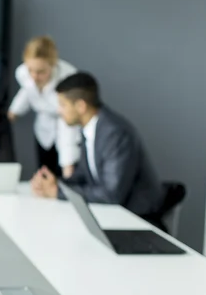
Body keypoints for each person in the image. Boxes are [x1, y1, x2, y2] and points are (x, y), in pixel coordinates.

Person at [31, 72, 165, 228]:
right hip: (111, 216)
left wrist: (58, 193)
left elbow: (111, 195)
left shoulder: (115, 134)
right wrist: (56, 184)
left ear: (80, 106)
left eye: (63, 104)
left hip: (137, 222)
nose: (59, 111)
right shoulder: (91, 129)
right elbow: (84, 176)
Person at [7, 36, 81, 178]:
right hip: (42, 131)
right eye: (31, 70)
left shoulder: (68, 78)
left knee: (65, 177)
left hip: (66, 129)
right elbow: (26, 92)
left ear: (53, 64)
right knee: (44, 173)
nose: (34, 76)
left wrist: (68, 164)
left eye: (41, 71)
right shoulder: (23, 73)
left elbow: (68, 124)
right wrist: (11, 114)